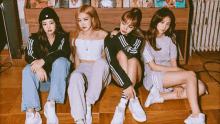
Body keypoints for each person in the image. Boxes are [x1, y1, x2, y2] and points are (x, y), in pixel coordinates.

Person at [142, 8, 207, 124]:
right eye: (162, 22)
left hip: (171, 74)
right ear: (155, 21)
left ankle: (160, 96)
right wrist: (176, 72)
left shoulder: (171, 38)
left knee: (201, 88)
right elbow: (153, 67)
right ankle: (196, 115)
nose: (164, 27)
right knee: (191, 74)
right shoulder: (145, 40)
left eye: (168, 24)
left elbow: (173, 63)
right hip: (154, 76)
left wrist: (177, 82)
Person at [22, 7, 71, 124]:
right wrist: (38, 67)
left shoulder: (63, 37)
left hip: (58, 83)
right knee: (27, 69)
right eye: (45, 24)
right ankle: (31, 114)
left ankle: (51, 105)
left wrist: (43, 61)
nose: (48, 27)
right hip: (41, 81)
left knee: (61, 61)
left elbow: (62, 52)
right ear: (41, 26)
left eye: (51, 23)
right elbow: (28, 56)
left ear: (56, 23)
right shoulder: (33, 39)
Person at [68, 5, 111, 124]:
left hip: (99, 69)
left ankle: (88, 103)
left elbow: (106, 57)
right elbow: (76, 56)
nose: (82, 23)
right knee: (75, 76)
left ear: (93, 19)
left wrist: (104, 78)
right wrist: (76, 74)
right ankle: (79, 119)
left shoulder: (103, 35)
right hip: (83, 68)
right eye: (79, 20)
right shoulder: (74, 35)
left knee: (101, 62)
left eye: (85, 19)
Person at [104, 8, 147, 124]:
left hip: (135, 76)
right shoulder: (110, 38)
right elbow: (111, 63)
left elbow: (131, 53)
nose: (125, 28)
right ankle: (133, 98)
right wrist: (126, 84)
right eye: (123, 24)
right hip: (119, 77)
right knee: (121, 55)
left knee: (132, 60)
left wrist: (119, 36)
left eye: (130, 26)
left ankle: (121, 105)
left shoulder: (138, 37)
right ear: (120, 20)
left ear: (135, 27)